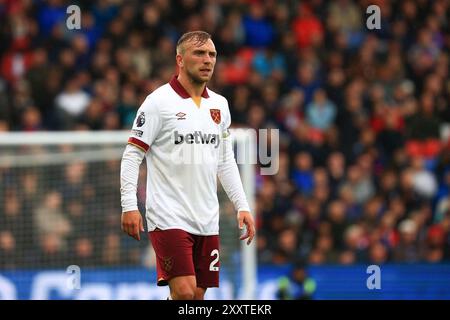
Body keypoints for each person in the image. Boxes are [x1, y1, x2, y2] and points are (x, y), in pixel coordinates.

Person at [120, 31, 255, 300]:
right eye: (200, 53)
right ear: (180, 60)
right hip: (167, 214)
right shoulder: (158, 102)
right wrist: (129, 205)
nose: (208, 60)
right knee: (183, 292)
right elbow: (132, 155)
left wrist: (242, 205)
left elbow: (225, 160)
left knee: (196, 296)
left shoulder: (220, 105)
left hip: (206, 216)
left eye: (212, 54)